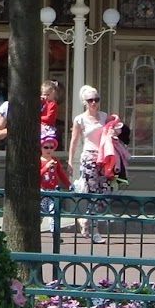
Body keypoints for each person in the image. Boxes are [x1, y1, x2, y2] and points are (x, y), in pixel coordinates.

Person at [65, 85, 114, 243]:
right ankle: (95, 230)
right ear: (84, 102)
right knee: (94, 194)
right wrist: (70, 162)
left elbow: (113, 132)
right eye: (90, 100)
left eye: (96, 100)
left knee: (105, 193)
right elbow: (74, 142)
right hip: (89, 158)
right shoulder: (80, 119)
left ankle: (86, 219)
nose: (93, 103)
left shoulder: (104, 116)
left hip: (104, 158)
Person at [38, 125, 70, 228]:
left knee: (54, 212)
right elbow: (37, 175)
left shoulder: (55, 160)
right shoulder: (39, 160)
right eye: (46, 147)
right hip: (42, 191)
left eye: (51, 147)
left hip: (54, 191)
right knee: (40, 213)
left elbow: (61, 174)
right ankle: (36, 231)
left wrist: (69, 185)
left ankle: (54, 232)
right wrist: (46, 167)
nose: (49, 150)